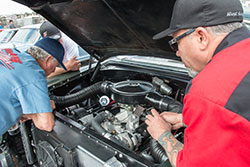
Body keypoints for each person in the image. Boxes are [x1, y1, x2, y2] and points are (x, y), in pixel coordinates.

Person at [145, 0, 250, 167]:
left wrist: (162, 135)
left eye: (175, 43)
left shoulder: (208, 91)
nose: (178, 52)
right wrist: (184, 118)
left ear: (201, 37)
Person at [0, 37, 66, 136]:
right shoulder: (33, 74)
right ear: (48, 59)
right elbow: (46, 125)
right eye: (55, 66)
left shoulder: (8, 52)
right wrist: (32, 114)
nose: (53, 71)